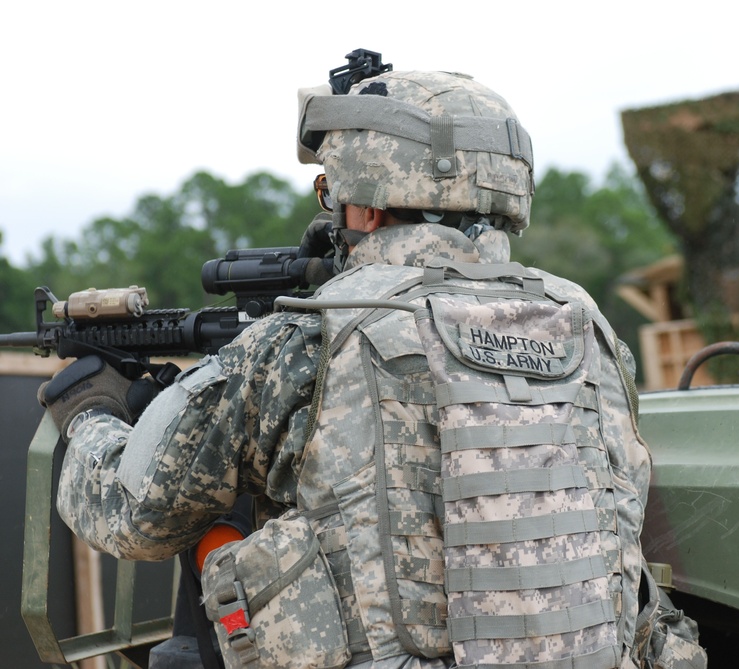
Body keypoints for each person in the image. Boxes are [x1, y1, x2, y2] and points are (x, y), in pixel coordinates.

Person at [38, 66, 702, 669]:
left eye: (332, 188)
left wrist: (88, 411)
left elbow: (134, 513)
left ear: (368, 198)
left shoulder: (307, 336)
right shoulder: (585, 323)